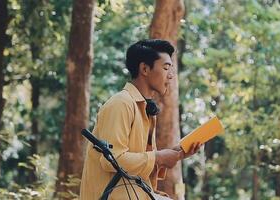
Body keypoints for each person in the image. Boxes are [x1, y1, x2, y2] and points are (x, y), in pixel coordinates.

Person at [80, 39, 201, 200]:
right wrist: (159, 157)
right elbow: (111, 160)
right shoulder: (121, 104)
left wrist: (176, 154)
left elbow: (140, 165)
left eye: (172, 69)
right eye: (166, 68)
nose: (171, 75)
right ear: (144, 68)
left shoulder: (145, 108)